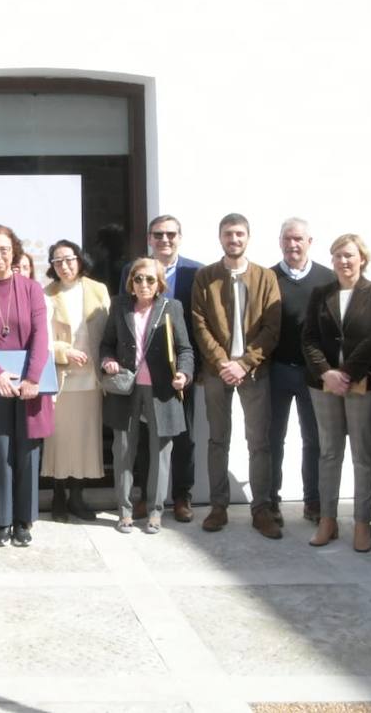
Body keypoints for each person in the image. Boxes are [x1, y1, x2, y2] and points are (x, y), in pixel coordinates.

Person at [190, 213, 283, 539]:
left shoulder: (265, 277)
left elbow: (273, 328)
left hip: (255, 371)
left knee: (259, 442)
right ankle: (218, 506)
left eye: (240, 234)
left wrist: (244, 363)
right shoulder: (206, 277)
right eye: (229, 234)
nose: (234, 239)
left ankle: (262, 508)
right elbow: (199, 325)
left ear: (248, 237)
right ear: (220, 238)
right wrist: (222, 362)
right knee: (218, 439)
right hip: (217, 372)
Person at [0, 225, 54, 547]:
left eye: (4, 249)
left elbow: (40, 335)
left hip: (30, 383)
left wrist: (32, 377)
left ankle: (23, 521)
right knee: (0, 452)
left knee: (28, 452)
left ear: (14, 251)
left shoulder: (31, 288)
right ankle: (2, 520)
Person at [301, 234, 371, 552]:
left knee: (363, 456)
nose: (343, 261)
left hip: (363, 383)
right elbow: (309, 338)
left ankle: (362, 524)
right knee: (328, 454)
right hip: (324, 385)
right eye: (337, 255)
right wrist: (327, 372)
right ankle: (328, 521)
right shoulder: (320, 293)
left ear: (362, 258)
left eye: (349, 255)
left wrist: (346, 373)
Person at [101, 256, 193, 533]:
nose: (143, 284)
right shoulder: (119, 306)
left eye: (150, 279)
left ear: (159, 283)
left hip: (162, 390)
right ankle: (125, 511)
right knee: (124, 451)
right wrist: (107, 361)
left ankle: (155, 511)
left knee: (160, 452)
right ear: (131, 282)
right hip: (126, 388)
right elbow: (106, 343)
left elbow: (185, 349)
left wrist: (184, 374)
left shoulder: (171, 307)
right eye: (138, 278)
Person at [122, 215, 203, 522]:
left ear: (180, 237)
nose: (164, 239)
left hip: (180, 370)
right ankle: (145, 494)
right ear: (149, 237)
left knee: (183, 436)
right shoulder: (135, 270)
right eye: (158, 234)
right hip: (142, 372)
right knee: (143, 437)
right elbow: (124, 314)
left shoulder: (196, 272)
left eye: (171, 234)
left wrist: (191, 368)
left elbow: (200, 322)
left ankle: (182, 496)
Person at [268, 218, 335, 525]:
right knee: (272, 439)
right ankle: (270, 500)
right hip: (276, 371)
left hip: (314, 375)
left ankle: (313, 501)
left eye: (298, 239)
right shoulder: (268, 278)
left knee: (314, 440)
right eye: (287, 239)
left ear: (310, 241)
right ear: (280, 242)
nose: (292, 245)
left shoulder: (328, 279)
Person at [43, 239, 108, 522]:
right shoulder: (47, 293)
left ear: (80, 260)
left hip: (91, 378)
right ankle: (58, 496)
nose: (65, 266)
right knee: (58, 440)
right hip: (62, 378)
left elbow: (109, 331)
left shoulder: (98, 289)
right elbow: (42, 339)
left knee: (85, 439)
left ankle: (78, 497)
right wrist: (63, 351)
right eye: (58, 262)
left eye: (69, 259)